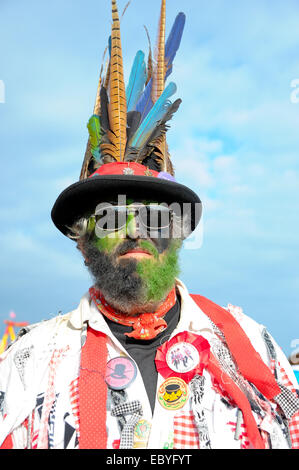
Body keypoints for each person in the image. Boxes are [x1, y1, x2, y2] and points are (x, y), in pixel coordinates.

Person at [1, 0, 299, 450]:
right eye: (113, 218)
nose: (136, 229)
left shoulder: (254, 345)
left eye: (153, 216)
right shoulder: (27, 363)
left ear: (177, 234)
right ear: (84, 244)